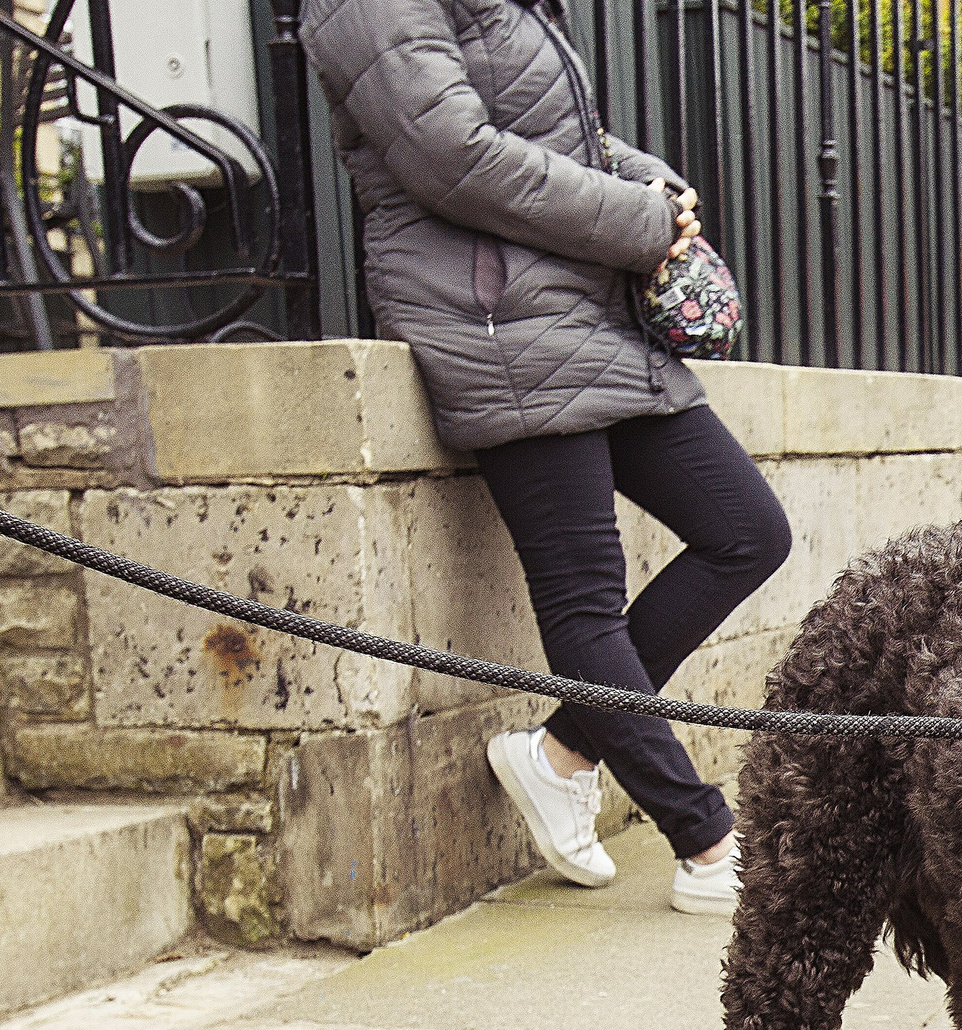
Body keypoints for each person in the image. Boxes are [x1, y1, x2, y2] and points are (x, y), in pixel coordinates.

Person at [302, 0, 792, 914]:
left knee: (746, 530)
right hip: (495, 324)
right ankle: (708, 842)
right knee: (584, 604)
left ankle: (563, 752)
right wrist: (637, 224)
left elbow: (560, 131)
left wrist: (652, 183)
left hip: (583, 315)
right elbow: (456, 158)